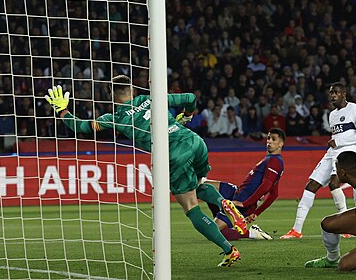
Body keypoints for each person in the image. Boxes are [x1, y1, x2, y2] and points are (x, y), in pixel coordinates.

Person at [45, 77, 246, 267]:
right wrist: (188, 115)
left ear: (111, 96)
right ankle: (222, 202)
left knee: (191, 207)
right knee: (200, 183)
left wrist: (62, 110)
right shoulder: (153, 98)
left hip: (174, 154)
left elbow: (82, 126)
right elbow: (191, 98)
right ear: (132, 90)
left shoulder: (117, 117)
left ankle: (229, 250)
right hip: (195, 141)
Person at [281, 83, 356, 239]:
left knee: (334, 183)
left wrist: (339, 143)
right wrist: (335, 143)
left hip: (347, 153)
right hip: (332, 153)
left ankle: (346, 226)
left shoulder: (355, 109)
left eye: (336, 92)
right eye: (331, 93)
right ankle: (296, 230)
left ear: (344, 94)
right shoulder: (332, 114)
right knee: (311, 185)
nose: (332, 95)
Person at [204, 128, 286, 241]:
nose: (269, 141)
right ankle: (223, 218)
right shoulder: (270, 160)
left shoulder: (275, 162)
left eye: (273, 139)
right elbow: (274, 193)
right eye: (268, 138)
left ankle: (251, 234)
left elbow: (266, 186)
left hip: (242, 201)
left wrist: (245, 203)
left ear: (281, 144)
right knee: (206, 187)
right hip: (237, 192)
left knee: (212, 232)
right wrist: (256, 213)